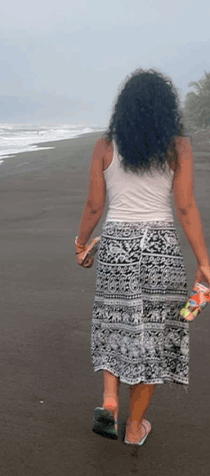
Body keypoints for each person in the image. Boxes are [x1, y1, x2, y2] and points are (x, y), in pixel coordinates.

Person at [76, 69, 210, 446]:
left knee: (113, 320)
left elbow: (94, 205)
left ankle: (109, 399)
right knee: (156, 333)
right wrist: (204, 260)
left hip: (116, 245)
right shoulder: (178, 147)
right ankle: (135, 428)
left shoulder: (105, 146)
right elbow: (185, 207)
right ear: (167, 109)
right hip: (159, 248)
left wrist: (81, 243)